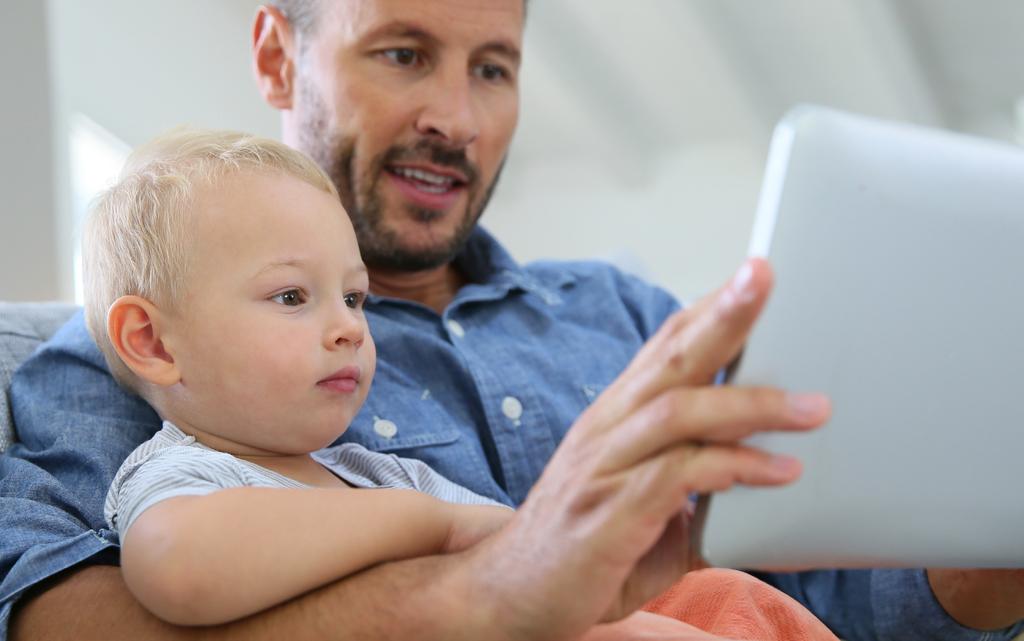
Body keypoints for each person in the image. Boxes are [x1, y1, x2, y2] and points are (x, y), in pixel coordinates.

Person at [1, 0, 1021, 639]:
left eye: (493, 66)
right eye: (402, 53)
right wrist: (494, 582)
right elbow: (76, 620)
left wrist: (987, 534)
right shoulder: (131, 364)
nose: (459, 116)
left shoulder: (626, 311)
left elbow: (827, 583)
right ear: (277, 57)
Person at [78, 127, 837, 641]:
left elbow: (531, 560)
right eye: (290, 297)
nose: (348, 327)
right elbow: (176, 562)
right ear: (151, 341)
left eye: (354, 297)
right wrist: (428, 525)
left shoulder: (378, 471)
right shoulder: (186, 472)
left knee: (727, 598)